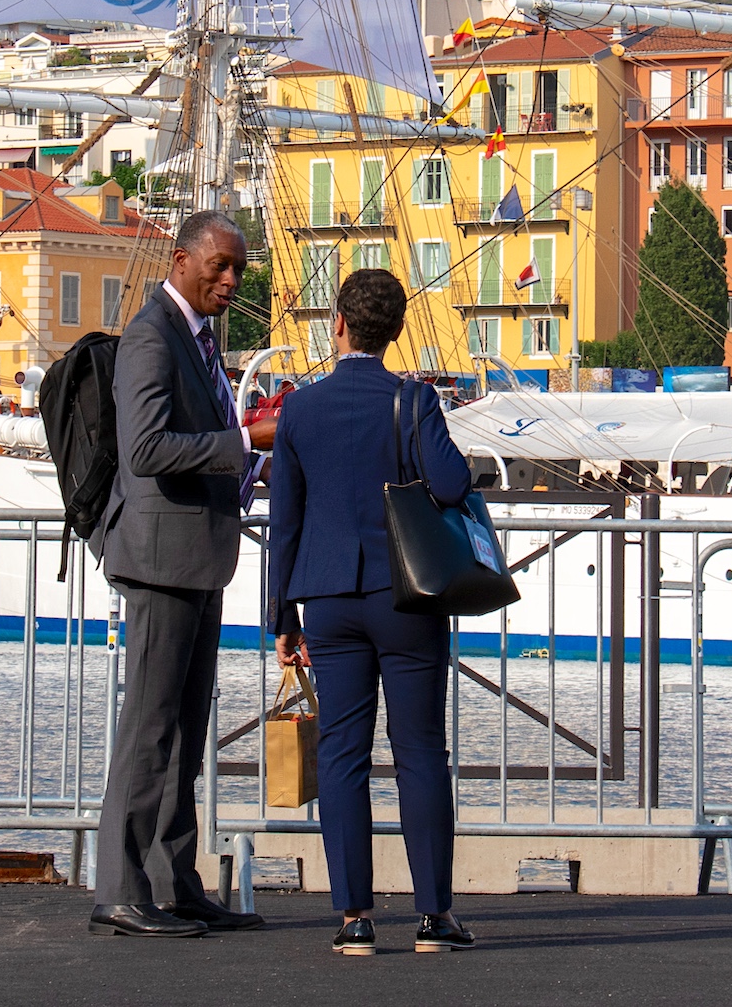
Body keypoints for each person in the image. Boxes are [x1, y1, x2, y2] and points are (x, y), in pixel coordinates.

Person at [270, 268, 477, 957]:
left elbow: (285, 521)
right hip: (406, 596)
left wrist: (282, 617)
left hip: (327, 599)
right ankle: (433, 917)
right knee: (419, 751)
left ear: (339, 324)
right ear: (394, 331)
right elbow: (451, 483)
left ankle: (355, 917)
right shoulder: (412, 398)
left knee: (343, 754)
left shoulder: (299, 409)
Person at [87, 210, 276, 938]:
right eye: (220, 265)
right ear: (181, 258)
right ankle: (122, 887)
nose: (231, 279)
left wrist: (251, 456)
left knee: (184, 726)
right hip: (161, 561)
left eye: (238, 268)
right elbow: (147, 449)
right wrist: (243, 438)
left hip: (197, 558)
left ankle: (173, 879)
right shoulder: (150, 336)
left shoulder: (197, 339)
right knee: (149, 727)